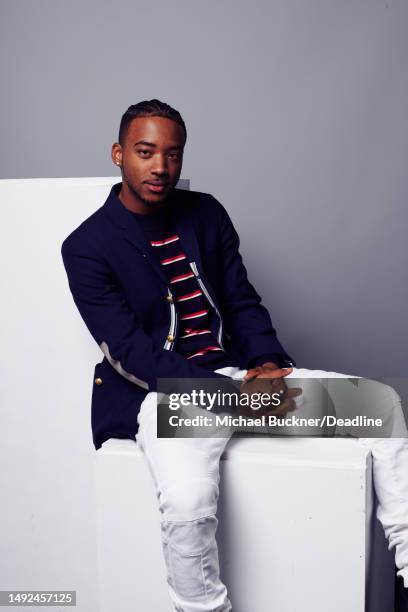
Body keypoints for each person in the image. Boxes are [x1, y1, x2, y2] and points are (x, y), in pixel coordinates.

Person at [61, 99, 408, 611]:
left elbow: (241, 301)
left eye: (173, 154)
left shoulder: (205, 213)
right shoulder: (86, 246)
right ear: (118, 154)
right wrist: (234, 396)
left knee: (379, 406)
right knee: (186, 503)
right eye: (145, 151)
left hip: (239, 378)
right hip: (169, 395)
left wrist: (266, 365)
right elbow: (131, 353)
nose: (161, 167)